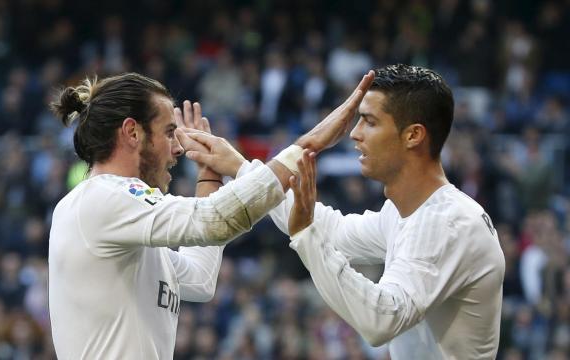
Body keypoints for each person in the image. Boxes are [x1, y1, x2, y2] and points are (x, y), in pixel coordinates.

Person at [47, 71, 374, 359]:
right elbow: (213, 220)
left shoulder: (123, 222)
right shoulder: (103, 198)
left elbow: (199, 280)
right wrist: (307, 145)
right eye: (167, 132)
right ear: (132, 132)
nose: (178, 148)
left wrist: (209, 174)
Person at [185, 64, 504, 359]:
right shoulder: (409, 211)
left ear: (413, 135)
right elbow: (333, 232)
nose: (354, 133)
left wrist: (306, 236)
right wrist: (242, 169)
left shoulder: (445, 222)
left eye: (370, 121)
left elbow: (381, 320)